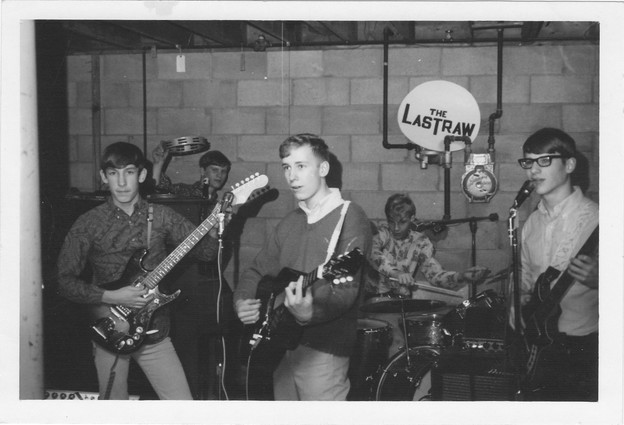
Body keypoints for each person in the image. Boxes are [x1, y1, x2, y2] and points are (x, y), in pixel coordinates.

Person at [56, 142, 220, 400]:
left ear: (142, 175)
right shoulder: (88, 223)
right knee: (115, 408)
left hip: (155, 331)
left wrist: (215, 230)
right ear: (103, 177)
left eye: (129, 172)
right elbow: (63, 281)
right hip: (109, 329)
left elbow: (206, 253)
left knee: (183, 407)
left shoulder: (163, 216)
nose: (121, 182)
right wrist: (111, 296)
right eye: (114, 173)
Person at [233, 133, 372, 401]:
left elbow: (346, 291)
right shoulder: (290, 221)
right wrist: (241, 300)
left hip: (323, 351)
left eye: (301, 166)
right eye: (286, 167)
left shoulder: (349, 216)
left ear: (323, 168)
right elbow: (255, 270)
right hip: (280, 344)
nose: (292, 176)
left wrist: (311, 313)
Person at [515, 127, 598, 401]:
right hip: (539, 345)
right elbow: (526, 278)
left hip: (584, 347)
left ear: (569, 165)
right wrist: (517, 302)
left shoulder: (599, 220)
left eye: (544, 160)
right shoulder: (531, 223)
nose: (533, 170)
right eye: (528, 162)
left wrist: (603, 280)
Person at [151, 144, 240, 400]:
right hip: (184, 275)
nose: (219, 175)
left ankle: (214, 390)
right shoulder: (187, 192)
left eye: (223, 171)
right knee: (186, 339)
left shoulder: (220, 204)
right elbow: (158, 188)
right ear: (203, 171)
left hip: (208, 275)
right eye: (214, 170)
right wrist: (158, 163)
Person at [364, 193, 490, 355]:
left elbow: (435, 275)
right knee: (397, 342)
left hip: (403, 303)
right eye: (391, 221)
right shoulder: (382, 234)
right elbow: (373, 254)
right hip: (378, 303)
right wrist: (396, 272)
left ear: (412, 218)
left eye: (402, 222)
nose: (395, 228)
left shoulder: (421, 242)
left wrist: (462, 276)